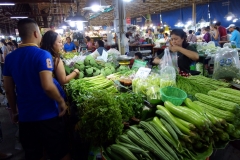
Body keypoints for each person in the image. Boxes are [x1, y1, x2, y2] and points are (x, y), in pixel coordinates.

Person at [3, 18, 70, 160]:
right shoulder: (42, 54)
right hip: (48, 116)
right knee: (59, 153)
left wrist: (14, 111)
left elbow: (8, 89)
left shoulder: (9, 58)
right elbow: (47, 86)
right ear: (35, 33)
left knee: (34, 154)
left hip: (26, 117)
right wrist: (61, 102)